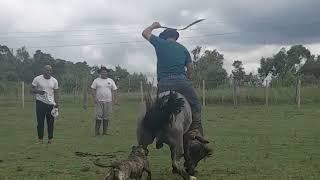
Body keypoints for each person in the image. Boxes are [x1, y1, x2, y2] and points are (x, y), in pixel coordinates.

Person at [142, 22, 211, 174]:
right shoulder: (183, 49)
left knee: (155, 109)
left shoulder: (159, 43)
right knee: (196, 106)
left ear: (164, 37)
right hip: (182, 82)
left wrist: (154, 25)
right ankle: (194, 130)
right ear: (175, 37)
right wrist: (186, 78)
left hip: (164, 83)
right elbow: (191, 70)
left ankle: (154, 133)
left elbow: (144, 32)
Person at [31, 65, 59, 144]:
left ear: (51, 71)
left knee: (50, 122)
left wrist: (57, 103)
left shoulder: (54, 81)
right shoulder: (37, 79)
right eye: (47, 70)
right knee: (40, 122)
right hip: (40, 103)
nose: (48, 72)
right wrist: (39, 92)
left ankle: (50, 140)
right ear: (43, 70)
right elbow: (31, 89)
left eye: (50, 70)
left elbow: (56, 93)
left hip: (51, 104)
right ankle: (40, 140)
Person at [91, 66, 118, 136]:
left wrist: (115, 99)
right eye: (102, 72)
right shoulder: (96, 80)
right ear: (100, 73)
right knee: (98, 116)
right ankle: (97, 132)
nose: (104, 73)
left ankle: (105, 132)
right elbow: (93, 89)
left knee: (106, 116)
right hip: (99, 101)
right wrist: (94, 98)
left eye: (105, 72)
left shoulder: (111, 81)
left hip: (108, 101)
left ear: (107, 73)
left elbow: (115, 90)